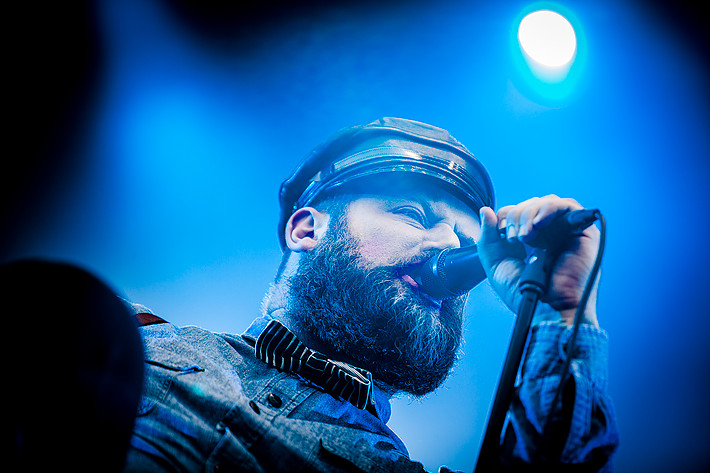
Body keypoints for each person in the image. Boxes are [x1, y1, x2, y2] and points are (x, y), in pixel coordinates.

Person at [121, 117, 618, 472]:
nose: (449, 245)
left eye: (468, 244)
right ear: (306, 231)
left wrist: (563, 313)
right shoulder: (130, 343)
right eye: (414, 214)